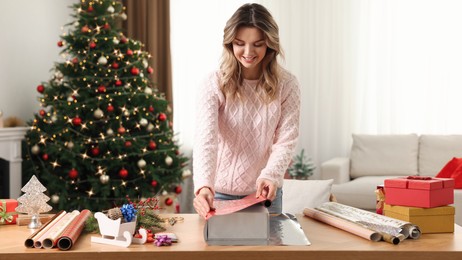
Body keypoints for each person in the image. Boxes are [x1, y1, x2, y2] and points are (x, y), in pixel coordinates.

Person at [193, 3, 300, 218]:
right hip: (218, 194)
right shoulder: (214, 83)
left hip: (264, 192)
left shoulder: (288, 85)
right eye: (240, 43)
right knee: (216, 252)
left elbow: (286, 141)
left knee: (267, 252)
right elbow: (207, 140)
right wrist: (204, 186)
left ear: (270, 44)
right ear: (229, 43)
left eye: (258, 44)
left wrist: (271, 176)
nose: (248, 53)